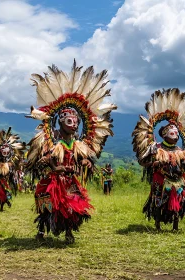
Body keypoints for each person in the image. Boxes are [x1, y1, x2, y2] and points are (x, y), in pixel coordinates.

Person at [26, 61, 117, 243]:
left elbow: (86, 158)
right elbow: (41, 159)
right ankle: (42, 231)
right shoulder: (50, 140)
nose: (74, 124)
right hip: (53, 181)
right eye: (70, 121)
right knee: (49, 207)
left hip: (70, 180)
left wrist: (87, 163)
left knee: (73, 206)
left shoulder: (78, 144)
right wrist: (52, 165)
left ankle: (69, 232)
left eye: (76, 122)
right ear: (60, 122)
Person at [133, 89, 185, 231]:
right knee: (158, 203)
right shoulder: (155, 148)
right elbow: (142, 161)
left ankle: (175, 227)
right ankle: (157, 226)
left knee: (179, 203)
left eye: (177, 133)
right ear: (164, 135)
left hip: (178, 181)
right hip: (161, 180)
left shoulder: (181, 151)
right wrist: (154, 163)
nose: (175, 136)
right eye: (172, 133)